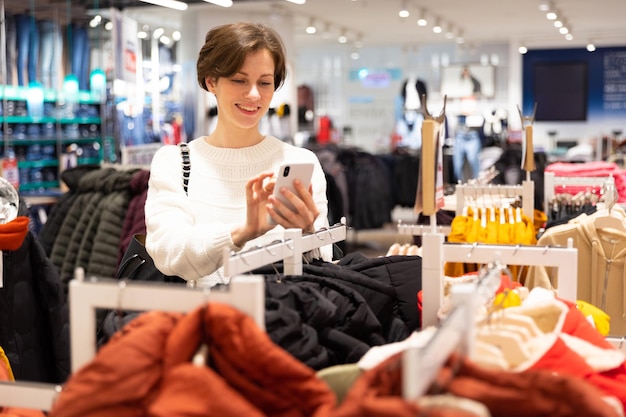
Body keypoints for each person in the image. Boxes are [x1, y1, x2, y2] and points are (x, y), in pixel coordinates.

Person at [144, 22, 332, 287]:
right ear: (211, 81)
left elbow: (323, 265)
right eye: (239, 80)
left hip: (283, 323)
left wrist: (307, 233)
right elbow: (169, 253)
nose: (254, 94)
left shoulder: (299, 161)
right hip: (202, 322)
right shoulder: (175, 162)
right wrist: (242, 232)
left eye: (264, 82)